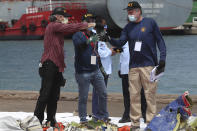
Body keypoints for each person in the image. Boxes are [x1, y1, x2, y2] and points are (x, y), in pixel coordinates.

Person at [107, 1, 166, 129]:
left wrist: (163, 59)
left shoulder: (150, 23)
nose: (129, 14)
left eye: (131, 11)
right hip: (133, 66)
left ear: (139, 11)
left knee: (149, 95)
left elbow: (160, 41)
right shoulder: (127, 28)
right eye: (128, 12)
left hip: (149, 65)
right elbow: (120, 42)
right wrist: (108, 38)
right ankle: (135, 123)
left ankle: (151, 123)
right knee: (133, 95)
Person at [34, 7, 94, 127]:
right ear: (57, 16)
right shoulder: (53, 25)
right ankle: (37, 120)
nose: (65, 19)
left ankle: (51, 119)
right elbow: (70, 28)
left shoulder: (58, 30)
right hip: (48, 64)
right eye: (63, 17)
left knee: (54, 95)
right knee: (45, 94)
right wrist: (85, 24)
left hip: (57, 66)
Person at [72, 13, 109, 123]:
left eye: (92, 20)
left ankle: (104, 116)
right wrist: (90, 40)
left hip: (95, 70)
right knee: (83, 97)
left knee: (103, 93)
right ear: (83, 23)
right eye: (88, 21)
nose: (91, 23)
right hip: (83, 72)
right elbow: (80, 45)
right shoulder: (77, 35)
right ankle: (83, 119)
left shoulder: (94, 34)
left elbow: (101, 43)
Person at [91, 16, 116, 119]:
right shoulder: (95, 36)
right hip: (99, 69)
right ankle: (98, 115)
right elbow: (100, 53)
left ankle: (101, 114)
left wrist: (115, 51)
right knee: (98, 93)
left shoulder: (101, 36)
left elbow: (108, 51)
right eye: (105, 25)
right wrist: (111, 51)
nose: (106, 28)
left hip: (104, 69)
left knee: (102, 93)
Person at [118, 42, 147, 123]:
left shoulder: (137, 41)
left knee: (141, 94)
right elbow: (121, 55)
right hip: (124, 71)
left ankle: (145, 115)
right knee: (126, 94)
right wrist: (119, 68)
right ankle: (127, 115)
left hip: (135, 70)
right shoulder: (123, 42)